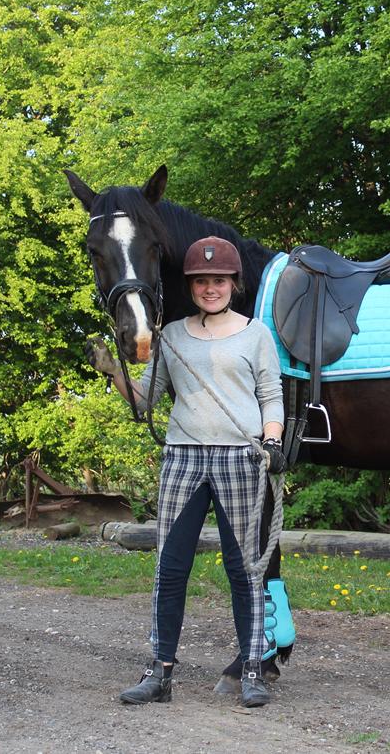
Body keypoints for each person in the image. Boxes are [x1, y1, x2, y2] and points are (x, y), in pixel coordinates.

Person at [86, 235, 288, 709]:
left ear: (233, 284)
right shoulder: (171, 336)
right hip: (183, 458)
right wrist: (113, 372)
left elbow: (271, 394)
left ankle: (253, 669)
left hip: (241, 458)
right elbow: (145, 401)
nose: (210, 288)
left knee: (246, 570)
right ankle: (159, 672)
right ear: (190, 286)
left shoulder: (255, 333)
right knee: (170, 568)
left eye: (218, 280)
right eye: (201, 281)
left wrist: (273, 440)